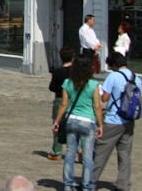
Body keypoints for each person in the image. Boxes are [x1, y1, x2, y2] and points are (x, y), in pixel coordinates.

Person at [52, 53, 104, 191]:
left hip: (71, 120)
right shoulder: (93, 84)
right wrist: (100, 125)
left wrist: (57, 121)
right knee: (87, 156)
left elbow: (64, 104)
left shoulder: (68, 83)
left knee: (69, 153)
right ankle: (87, 186)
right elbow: (97, 107)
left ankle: (68, 185)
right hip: (88, 121)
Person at [93, 51, 142, 191]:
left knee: (100, 153)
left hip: (113, 120)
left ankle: (89, 182)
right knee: (125, 155)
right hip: (129, 120)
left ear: (114, 64)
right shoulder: (136, 78)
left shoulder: (113, 76)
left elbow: (104, 98)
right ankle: (123, 185)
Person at [47, 47, 75, 160]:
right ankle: (78, 149)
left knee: (57, 124)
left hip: (59, 99)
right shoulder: (75, 71)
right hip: (73, 100)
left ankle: (57, 151)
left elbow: (52, 87)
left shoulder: (58, 72)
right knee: (74, 125)